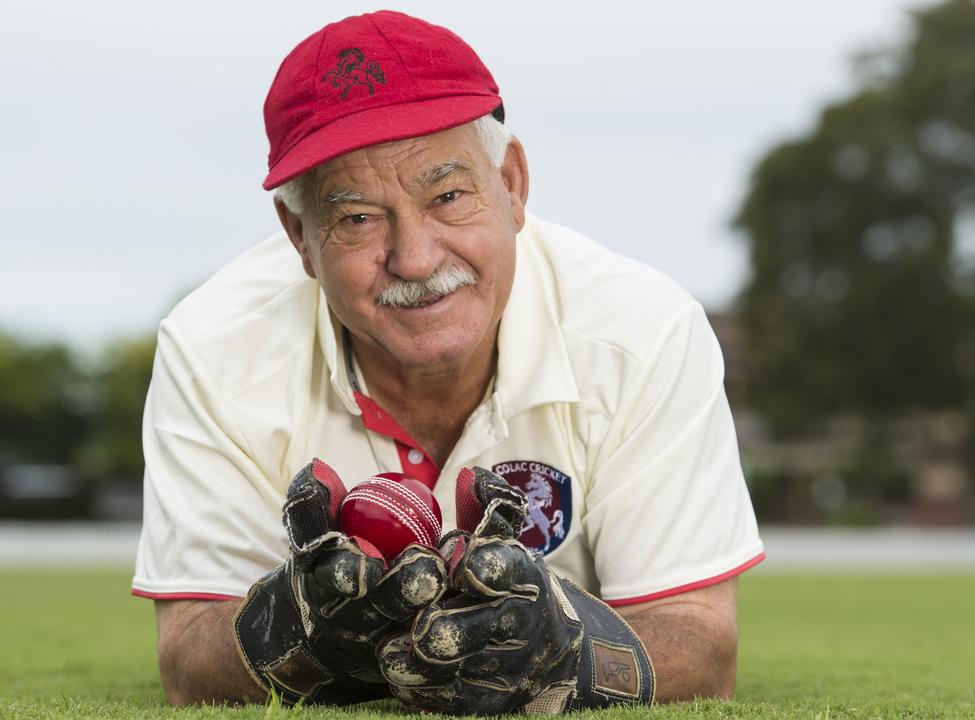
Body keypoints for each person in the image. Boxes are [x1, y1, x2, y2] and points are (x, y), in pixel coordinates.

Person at [131, 9, 764, 714]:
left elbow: (703, 642)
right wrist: (295, 630)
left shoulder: (645, 332)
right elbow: (188, 657)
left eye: (448, 196)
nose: (416, 259)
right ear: (299, 237)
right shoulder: (210, 346)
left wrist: (566, 649)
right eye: (357, 217)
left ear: (513, 184)